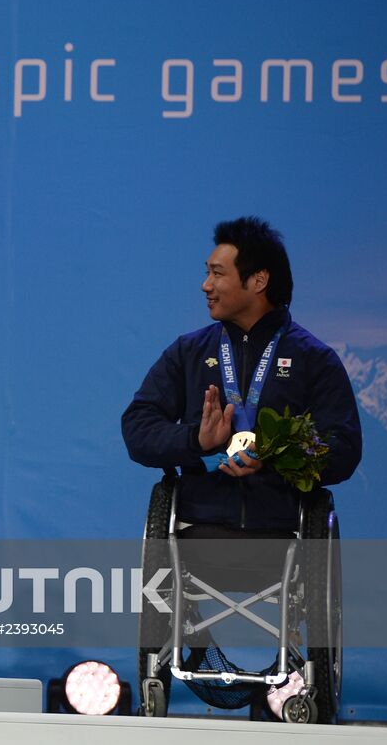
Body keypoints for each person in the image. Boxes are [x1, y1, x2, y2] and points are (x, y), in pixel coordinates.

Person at [122, 216, 360, 531]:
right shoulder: (188, 352)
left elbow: (344, 449)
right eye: (207, 272)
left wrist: (275, 454)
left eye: (217, 274)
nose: (206, 285)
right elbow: (138, 428)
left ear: (258, 280)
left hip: (286, 531)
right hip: (196, 527)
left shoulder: (315, 359)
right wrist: (196, 439)